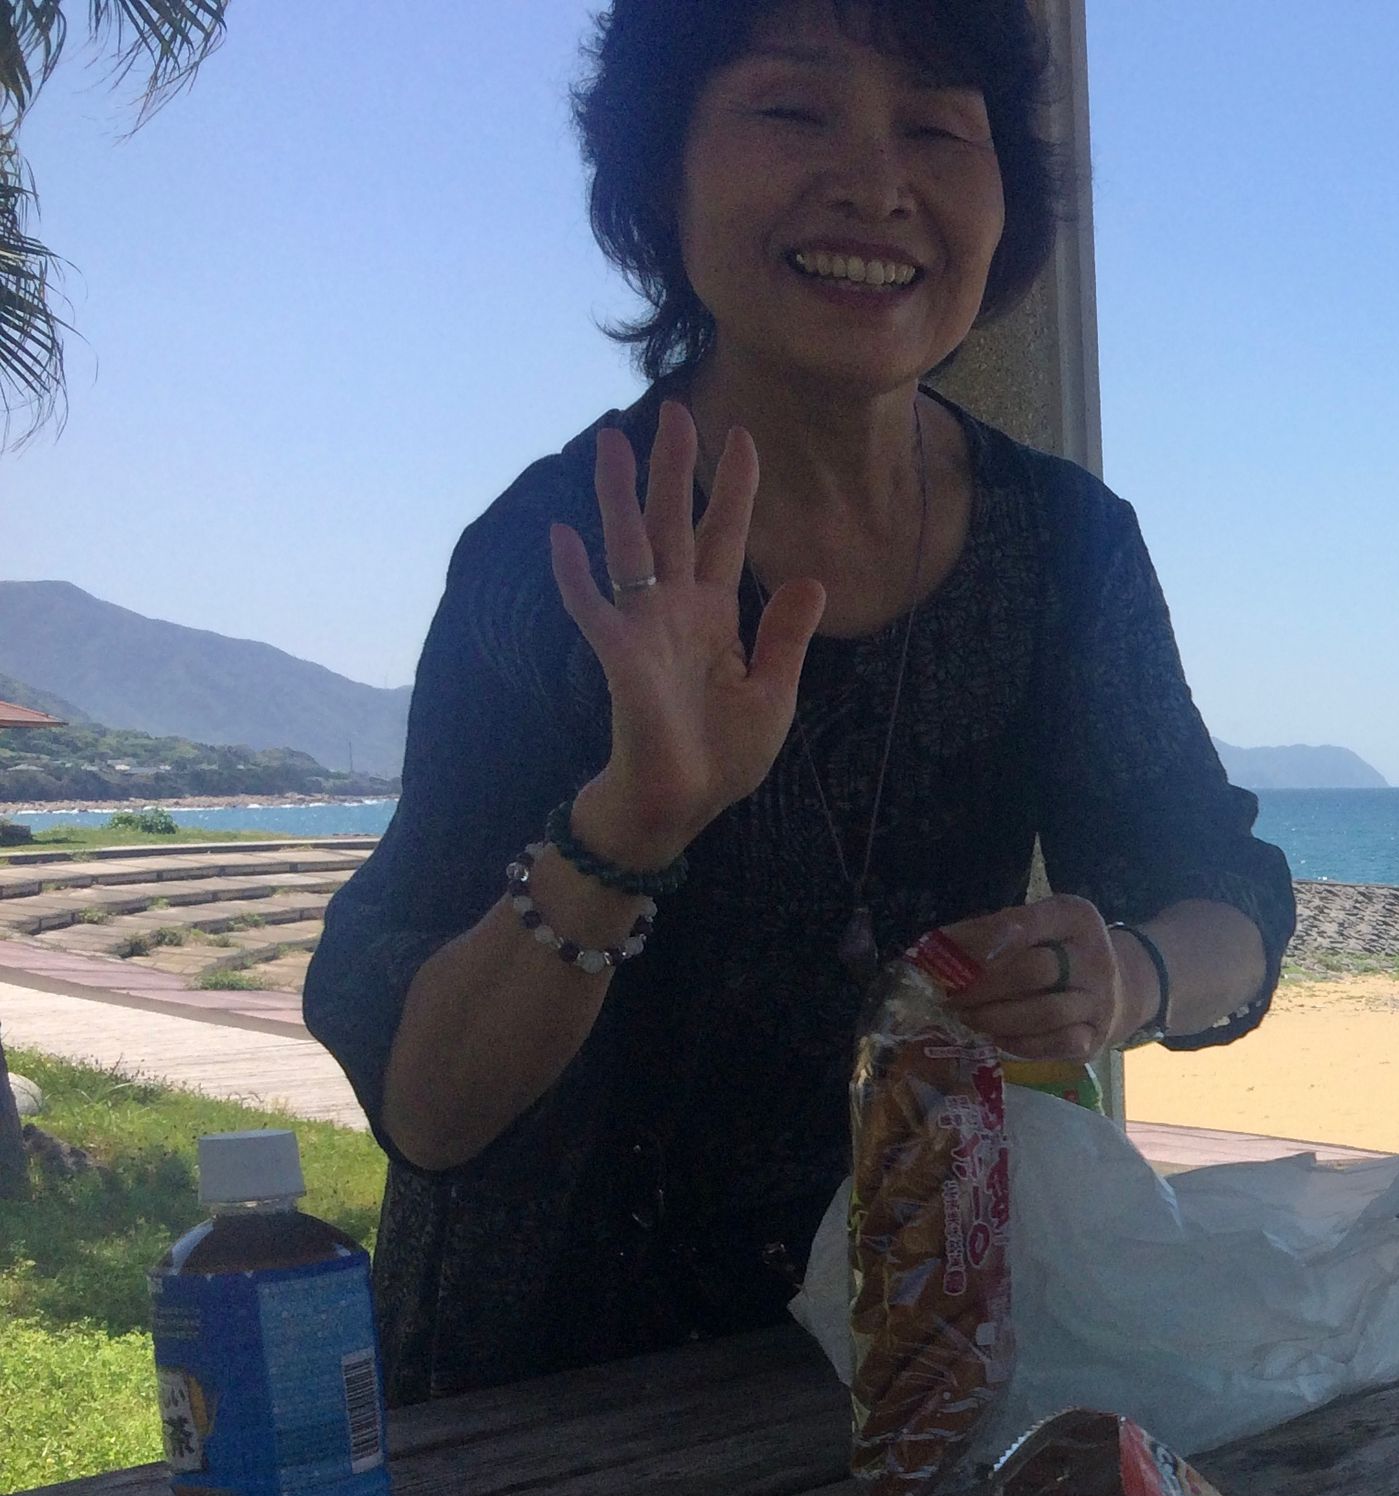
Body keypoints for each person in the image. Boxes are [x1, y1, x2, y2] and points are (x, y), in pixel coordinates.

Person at [306, 0, 1294, 1403]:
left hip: (914, 1371)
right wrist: (623, 830)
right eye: (792, 110)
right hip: (551, 1419)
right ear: (665, 175)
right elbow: (428, 1103)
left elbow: (1231, 902)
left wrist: (1124, 973)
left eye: (938, 127)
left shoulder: (1063, 548)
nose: (877, 183)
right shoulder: (563, 558)